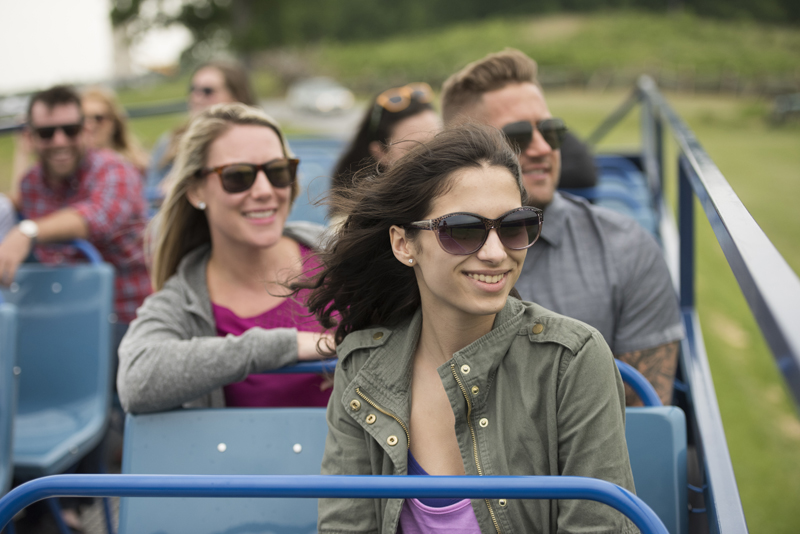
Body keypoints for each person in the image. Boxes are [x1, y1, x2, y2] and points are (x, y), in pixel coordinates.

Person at [301, 124, 637, 533]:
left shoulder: (572, 361)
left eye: (514, 227)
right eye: (462, 230)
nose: (496, 253)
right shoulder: (364, 366)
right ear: (404, 244)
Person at [441, 49, 683, 405]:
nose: (543, 148)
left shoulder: (627, 249)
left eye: (551, 131)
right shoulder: (424, 248)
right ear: (461, 148)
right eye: (518, 137)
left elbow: (641, 419)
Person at [117, 102, 333, 414]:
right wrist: (289, 346)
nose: (263, 190)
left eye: (277, 172)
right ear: (196, 191)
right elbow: (136, 380)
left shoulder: (339, 255)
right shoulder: (183, 301)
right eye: (238, 176)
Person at [0, 85, 150, 345]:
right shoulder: (32, 183)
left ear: (85, 130)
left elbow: (98, 218)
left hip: (128, 317)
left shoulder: (115, 170)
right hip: (62, 314)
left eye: (70, 130)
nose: (60, 141)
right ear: (31, 137)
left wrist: (27, 232)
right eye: (47, 133)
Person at [145, 60, 258, 192]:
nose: (197, 97)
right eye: (193, 89)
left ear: (235, 96)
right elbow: (149, 198)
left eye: (207, 91)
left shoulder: (257, 139)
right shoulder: (171, 141)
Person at [332, 82, 441, 192]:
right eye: (416, 149)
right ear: (381, 153)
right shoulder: (366, 206)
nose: (433, 156)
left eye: (438, 141)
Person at [81, 86, 149, 171]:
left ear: (114, 122)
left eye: (98, 118)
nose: (89, 125)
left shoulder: (134, 165)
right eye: (83, 119)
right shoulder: (75, 168)